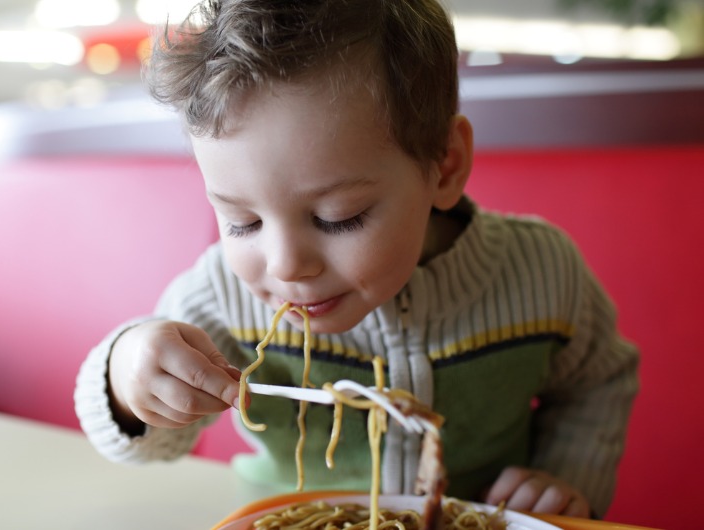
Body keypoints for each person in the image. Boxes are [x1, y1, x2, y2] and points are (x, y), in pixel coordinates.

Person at [74, 0, 638, 519]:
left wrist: (563, 477)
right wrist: (128, 378)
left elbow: (598, 380)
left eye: (337, 217)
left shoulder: (540, 273)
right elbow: (158, 441)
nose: (286, 264)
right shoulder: (222, 295)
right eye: (242, 221)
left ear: (444, 164)